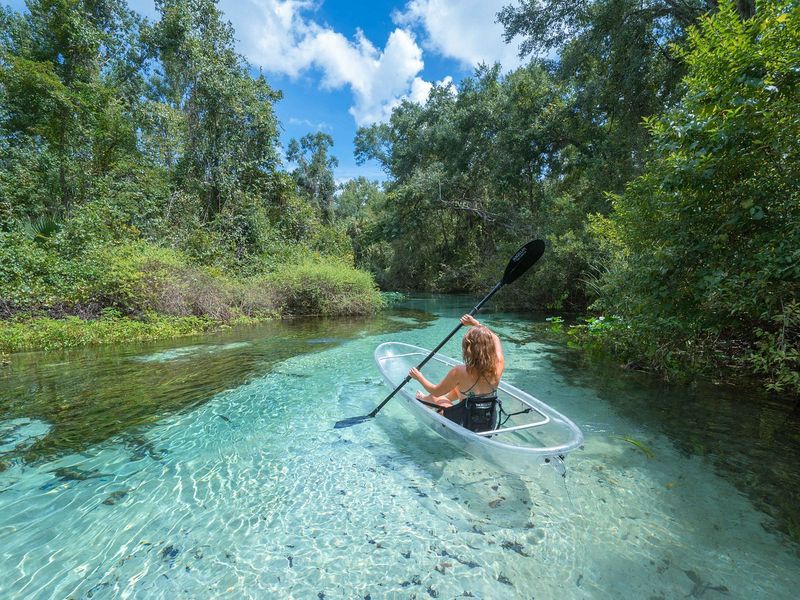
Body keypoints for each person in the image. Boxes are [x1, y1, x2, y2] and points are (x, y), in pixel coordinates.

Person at [408, 314, 504, 413]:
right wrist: (476, 324)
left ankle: (424, 400)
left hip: (465, 422)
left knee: (434, 397)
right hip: (488, 420)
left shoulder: (460, 371)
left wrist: (419, 377)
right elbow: (495, 338)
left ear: (468, 349)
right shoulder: (498, 365)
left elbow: (436, 392)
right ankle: (445, 400)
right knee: (458, 387)